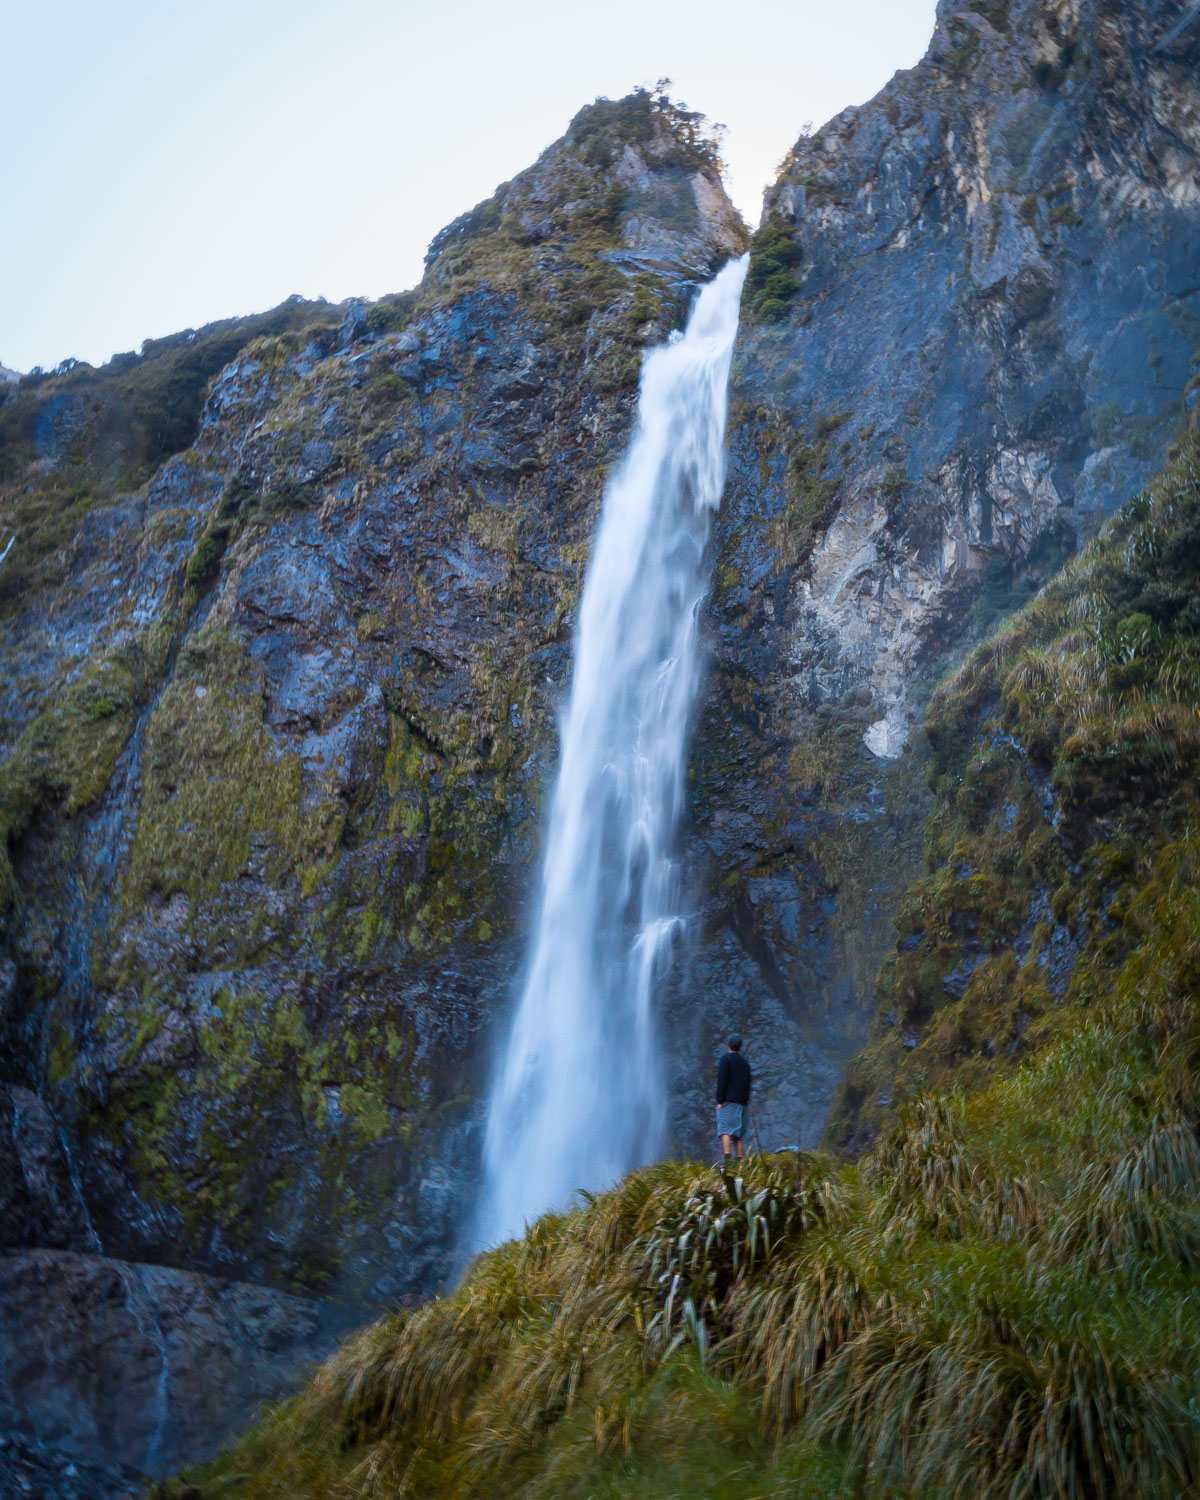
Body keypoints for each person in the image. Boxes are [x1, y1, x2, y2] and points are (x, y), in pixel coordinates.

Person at [715, 1033, 751, 1168]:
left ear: (728, 1045)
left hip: (729, 1101)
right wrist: (745, 1101)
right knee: (738, 1134)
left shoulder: (726, 1059)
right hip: (742, 1103)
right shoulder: (745, 1063)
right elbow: (748, 1083)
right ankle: (740, 1164)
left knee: (725, 1130)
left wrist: (720, 1100)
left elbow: (722, 1079)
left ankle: (727, 1163)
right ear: (740, 1047)